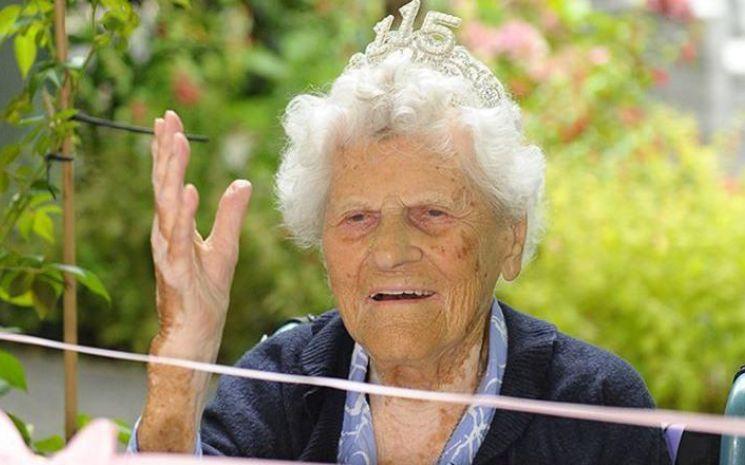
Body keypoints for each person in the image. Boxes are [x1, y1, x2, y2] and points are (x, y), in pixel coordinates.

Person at [130, 1, 671, 464]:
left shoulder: (594, 410)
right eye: (357, 218)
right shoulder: (279, 390)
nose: (389, 252)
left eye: (432, 214)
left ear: (510, 237)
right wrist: (181, 362)